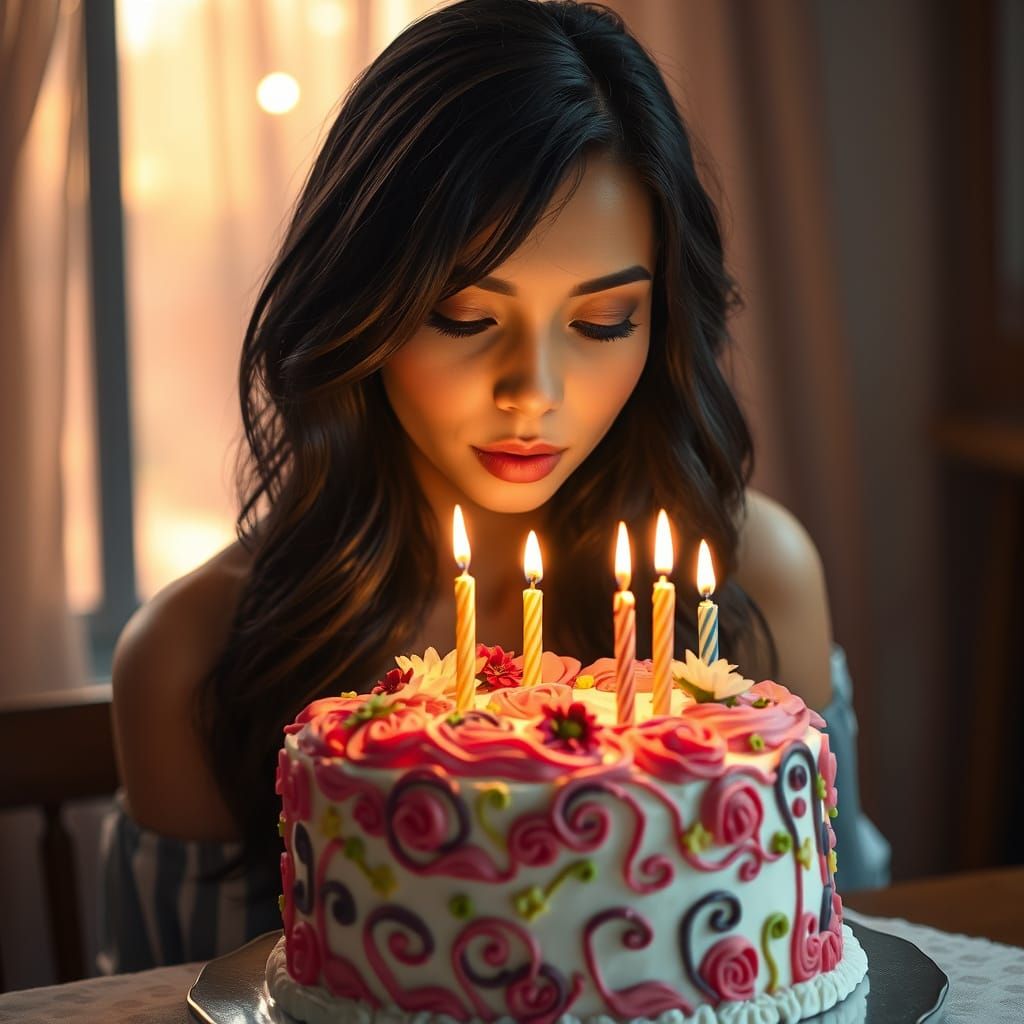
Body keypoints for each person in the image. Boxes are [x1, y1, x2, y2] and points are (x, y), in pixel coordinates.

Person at [97, 0, 888, 974]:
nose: (534, 394)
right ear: (360, 307)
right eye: (465, 317)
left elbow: (835, 948)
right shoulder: (190, 656)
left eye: (602, 322)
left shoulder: (753, 577)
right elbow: (178, 993)